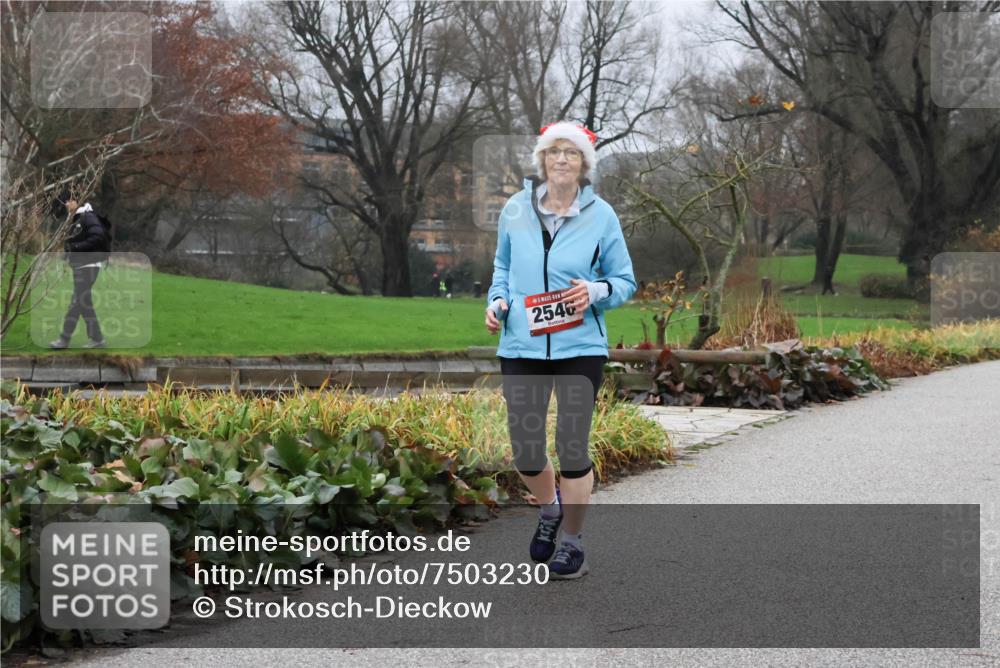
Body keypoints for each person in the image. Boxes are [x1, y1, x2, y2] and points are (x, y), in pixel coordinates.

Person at [484, 121, 637, 579]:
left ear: (584, 163)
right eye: (555, 152)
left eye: (572, 153)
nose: (563, 160)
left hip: (580, 346)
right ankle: (549, 511)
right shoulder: (514, 210)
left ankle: (572, 543)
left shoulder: (602, 216)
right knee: (527, 451)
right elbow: (502, 269)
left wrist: (595, 291)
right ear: (543, 161)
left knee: (571, 447)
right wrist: (497, 302)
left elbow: (625, 281)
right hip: (521, 344)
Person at [49, 199, 112, 349]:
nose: (66, 204)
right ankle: (97, 339)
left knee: (76, 302)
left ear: (77, 201)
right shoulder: (76, 218)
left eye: (69, 201)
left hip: (88, 266)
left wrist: (75, 247)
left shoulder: (87, 217)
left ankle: (64, 339)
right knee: (85, 304)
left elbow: (98, 238)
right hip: (82, 266)